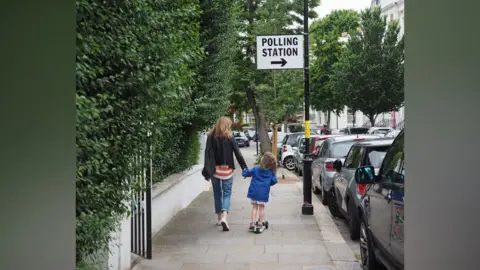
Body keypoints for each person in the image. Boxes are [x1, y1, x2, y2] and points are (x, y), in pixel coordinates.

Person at [202, 116, 248, 232]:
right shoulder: (230, 137)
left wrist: (206, 171)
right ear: (227, 125)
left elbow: (207, 153)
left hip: (214, 171)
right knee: (227, 194)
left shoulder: (210, 137)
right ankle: (224, 217)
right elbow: (238, 153)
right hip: (227, 170)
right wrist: (244, 168)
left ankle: (218, 219)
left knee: (217, 194)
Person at [242, 152, 278, 234]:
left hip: (254, 192)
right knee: (261, 208)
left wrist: (244, 172)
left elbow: (247, 173)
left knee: (254, 207)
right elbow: (274, 180)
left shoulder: (256, 169)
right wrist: (269, 183)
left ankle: (253, 222)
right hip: (263, 194)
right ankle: (260, 223)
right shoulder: (270, 173)